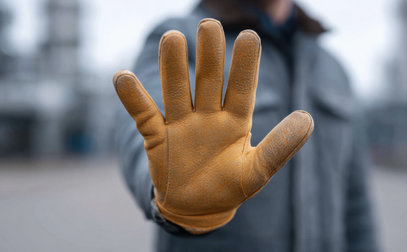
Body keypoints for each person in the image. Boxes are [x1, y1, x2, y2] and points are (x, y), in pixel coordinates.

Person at [115, 0, 379, 251]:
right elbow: (139, 134)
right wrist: (169, 187)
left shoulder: (333, 68)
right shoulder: (181, 38)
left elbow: (356, 205)